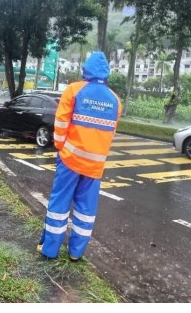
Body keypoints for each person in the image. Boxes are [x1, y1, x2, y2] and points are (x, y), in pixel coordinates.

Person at [38, 51, 121, 261]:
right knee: (86, 210)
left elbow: (61, 123)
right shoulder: (115, 101)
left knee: (59, 205)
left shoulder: (74, 90)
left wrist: (60, 146)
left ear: (86, 70)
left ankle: (50, 250)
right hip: (95, 166)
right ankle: (76, 253)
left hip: (70, 160)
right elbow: (110, 134)